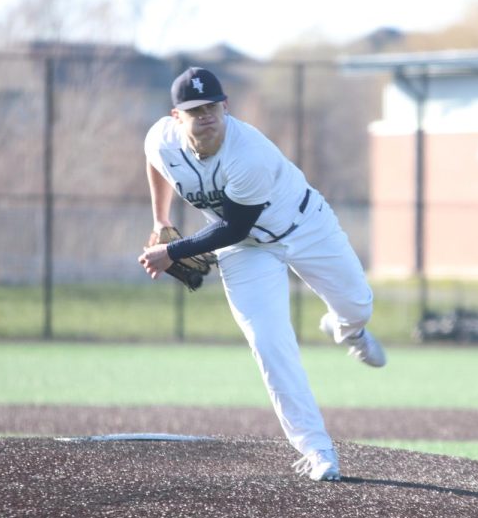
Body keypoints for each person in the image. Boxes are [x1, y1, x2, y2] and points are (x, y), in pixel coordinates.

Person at [137, 66, 386, 482]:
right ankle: (316, 447)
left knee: (358, 304)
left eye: (212, 106)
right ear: (176, 116)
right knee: (269, 343)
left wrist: (173, 251)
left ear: (225, 106)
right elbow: (155, 163)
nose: (206, 115)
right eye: (195, 110)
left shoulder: (247, 152)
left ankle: (349, 329)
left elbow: (234, 223)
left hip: (305, 227)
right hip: (246, 252)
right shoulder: (161, 139)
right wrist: (160, 218)